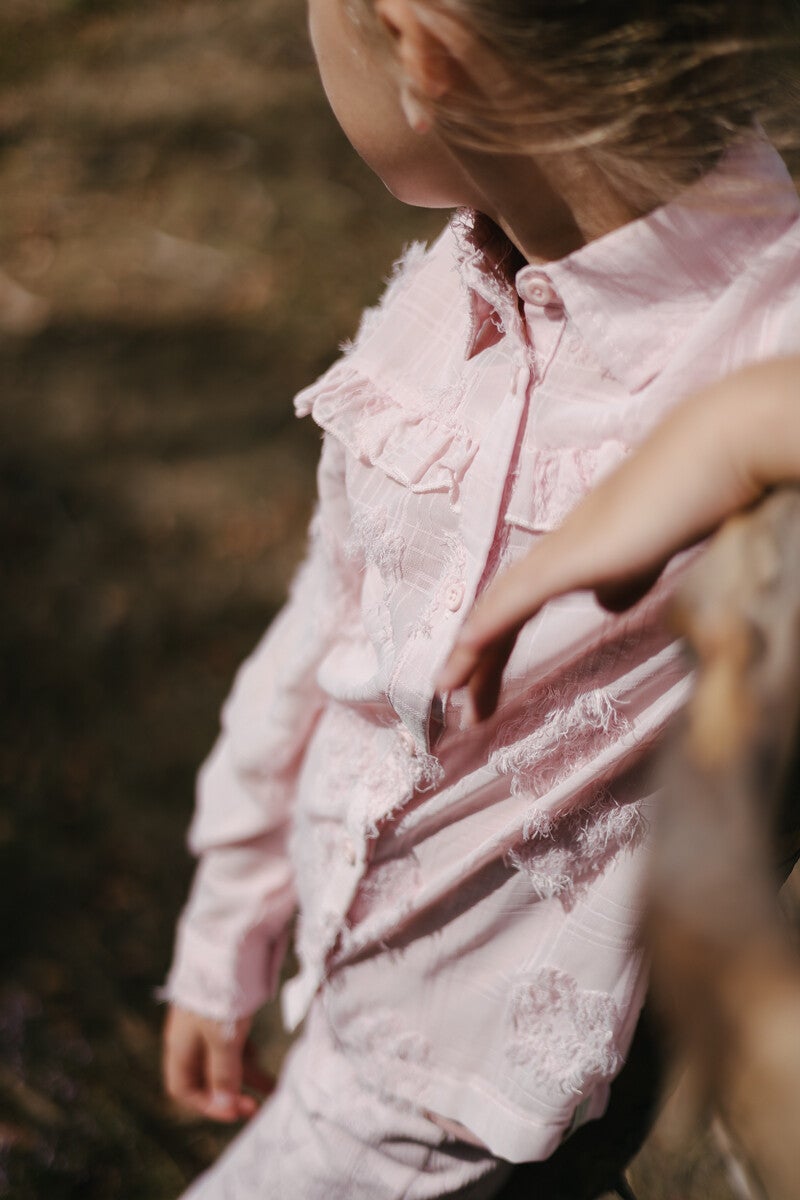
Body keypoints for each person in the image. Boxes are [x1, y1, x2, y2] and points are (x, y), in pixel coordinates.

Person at [159, 0, 800, 1194]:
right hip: (346, 985)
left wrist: (734, 426)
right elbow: (324, 622)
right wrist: (227, 917)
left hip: (445, 1105)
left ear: (419, 52)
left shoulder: (764, 326)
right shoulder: (453, 287)